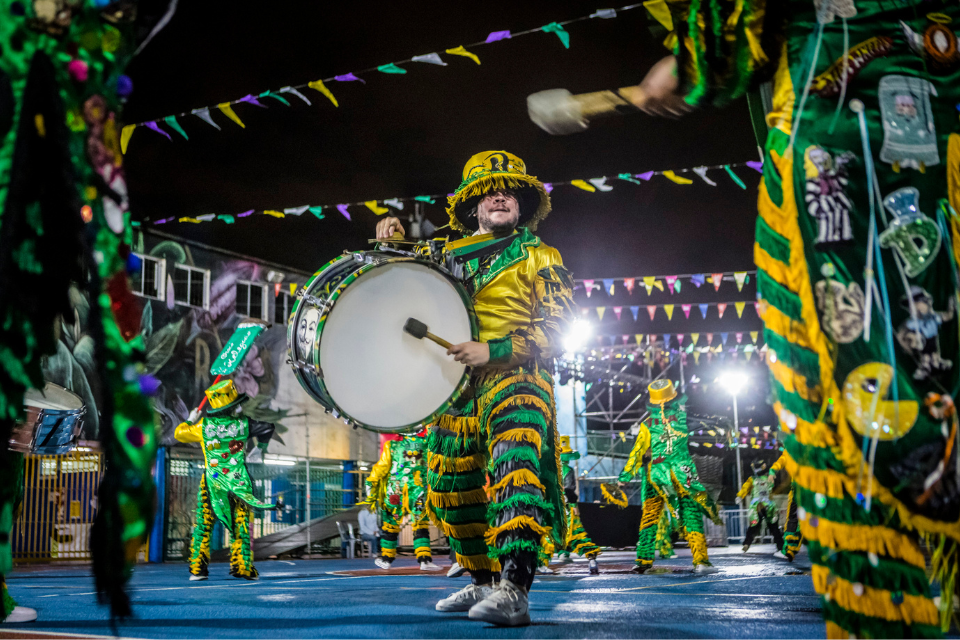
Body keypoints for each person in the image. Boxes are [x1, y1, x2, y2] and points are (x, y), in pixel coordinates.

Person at [629, 3, 959, 636]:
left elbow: (728, 41)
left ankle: (887, 612)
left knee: (840, 387)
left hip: (839, 123)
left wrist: (698, 58)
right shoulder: (656, 429)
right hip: (937, 107)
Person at [375, 150, 574, 627]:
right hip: (455, 386)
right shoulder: (443, 256)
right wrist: (390, 241)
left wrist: (494, 349)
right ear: (474, 210)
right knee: (449, 483)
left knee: (515, 469)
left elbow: (560, 328)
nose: (499, 196)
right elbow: (397, 286)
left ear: (521, 206)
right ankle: (483, 582)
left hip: (517, 378)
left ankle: (515, 588)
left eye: (508, 191)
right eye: (488, 192)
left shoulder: (541, 255)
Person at [174, 379, 277, 581]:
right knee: (241, 526)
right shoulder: (243, 424)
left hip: (212, 483)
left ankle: (197, 570)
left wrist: (190, 419)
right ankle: (242, 568)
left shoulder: (203, 426)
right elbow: (267, 428)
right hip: (238, 483)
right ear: (231, 407)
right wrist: (259, 449)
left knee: (204, 525)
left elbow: (179, 433)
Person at [618, 380, 721, 574]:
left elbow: (637, 451)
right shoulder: (683, 418)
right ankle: (701, 562)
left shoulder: (647, 424)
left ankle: (643, 561)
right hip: (682, 473)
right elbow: (707, 421)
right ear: (674, 400)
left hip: (655, 475)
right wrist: (719, 423)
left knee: (649, 516)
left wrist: (625, 475)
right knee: (691, 514)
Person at [362, 433, 439, 571]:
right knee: (420, 524)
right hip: (418, 490)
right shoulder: (428, 443)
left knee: (391, 525)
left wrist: (371, 482)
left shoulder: (392, 445)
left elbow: (382, 467)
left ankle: (386, 559)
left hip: (395, 490)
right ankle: (424, 560)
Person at [557, 436, 600, 574]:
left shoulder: (552, 470)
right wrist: (574, 504)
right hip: (567, 507)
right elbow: (569, 489)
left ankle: (556, 557)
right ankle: (591, 559)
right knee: (576, 532)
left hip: (554, 507)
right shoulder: (568, 470)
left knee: (551, 534)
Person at [738, 460, 785, 554]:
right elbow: (746, 487)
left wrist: (740, 495)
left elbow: (745, 488)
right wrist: (740, 495)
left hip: (758, 506)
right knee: (773, 527)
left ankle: (747, 543)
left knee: (754, 526)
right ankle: (780, 547)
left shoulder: (754, 479)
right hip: (767, 506)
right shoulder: (767, 478)